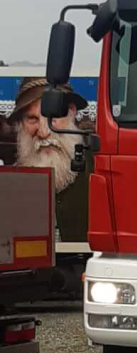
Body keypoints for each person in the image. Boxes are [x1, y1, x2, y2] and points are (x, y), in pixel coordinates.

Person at [10, 77, 93, 242]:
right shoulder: (9, 185)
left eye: (52, 117)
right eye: (32, 119)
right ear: (21, 124)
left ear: (71, 111)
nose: (43, 131)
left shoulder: (103, 170)